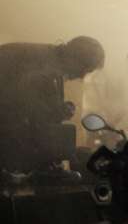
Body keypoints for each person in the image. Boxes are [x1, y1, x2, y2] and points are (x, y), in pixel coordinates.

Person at [0, 36, 105, 170]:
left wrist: (58, 109)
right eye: (85, 69)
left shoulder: (49, 60)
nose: (82, 76)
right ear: (74, 58)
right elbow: (31, 112)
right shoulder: (44, 66)